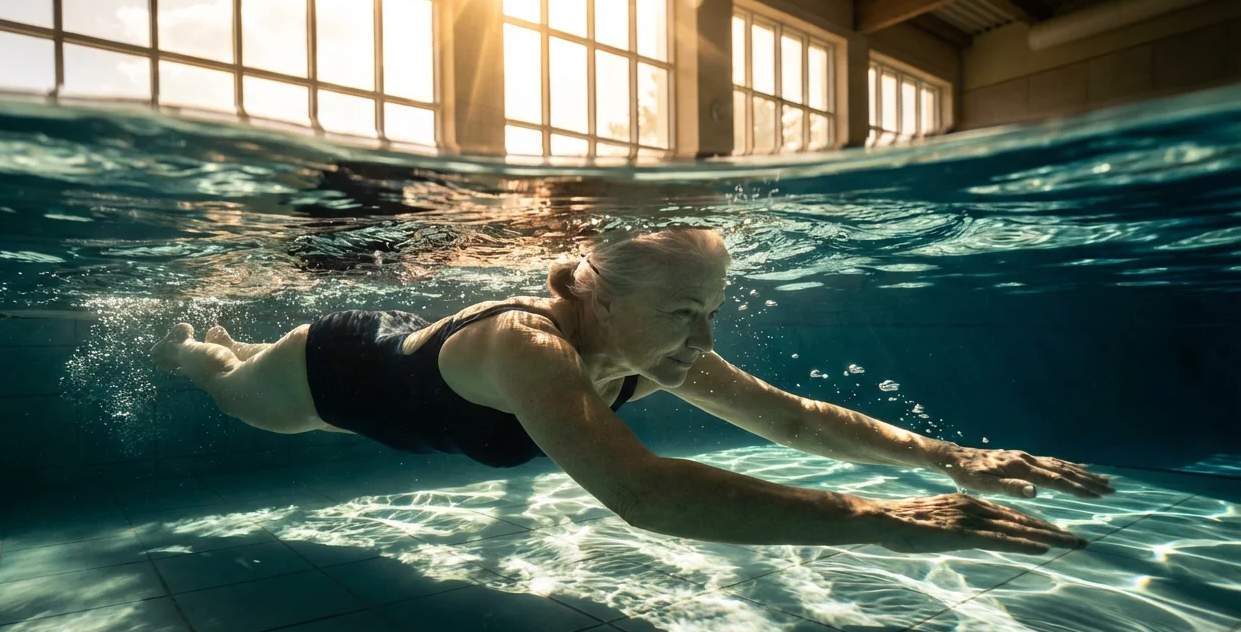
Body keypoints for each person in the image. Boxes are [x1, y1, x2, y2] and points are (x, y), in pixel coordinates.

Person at [152, 228, 1113, 555]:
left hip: (399, 392)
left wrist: (948, 457)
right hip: (334, 376)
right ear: (599, 298)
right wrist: (893, 520)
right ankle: (196, 339)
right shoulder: (527, 348)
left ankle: (220, 343)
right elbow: (645, 494)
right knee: (233, 389)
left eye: (714, 311)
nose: (706, 340)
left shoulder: (653, 350)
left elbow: (792, 419)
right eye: (687, 313)